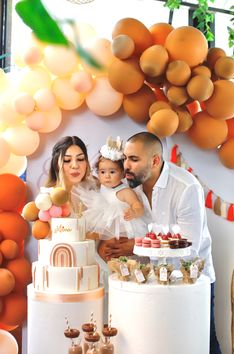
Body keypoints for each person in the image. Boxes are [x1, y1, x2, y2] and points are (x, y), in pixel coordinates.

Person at [98, 131, 221, 354]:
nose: (126, 165)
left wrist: (134, 245)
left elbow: (188, 246)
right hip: (149, 283)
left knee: (199, 342)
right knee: (154, 343)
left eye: (134, 159)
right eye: (125, 157)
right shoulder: (129, 186)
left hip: (189, 282)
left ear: (155, 161)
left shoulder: (185, 187)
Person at [73, 136, 147, 240]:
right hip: (102, 222)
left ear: (123, 174)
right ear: (98, 172)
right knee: (87, 232)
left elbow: (137, 205)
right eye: (102, 172)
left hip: (120, 228)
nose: (107, 176)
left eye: (112, 172)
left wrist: (134, 212)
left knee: (107, 238)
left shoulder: (125, 192)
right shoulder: (100, 185)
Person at [45, 135, 98, 214]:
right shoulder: (47, 198)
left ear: (86, 162)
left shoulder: (97, 187)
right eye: (67, 160)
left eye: (80, 159)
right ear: (57, 164)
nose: (75, 165)